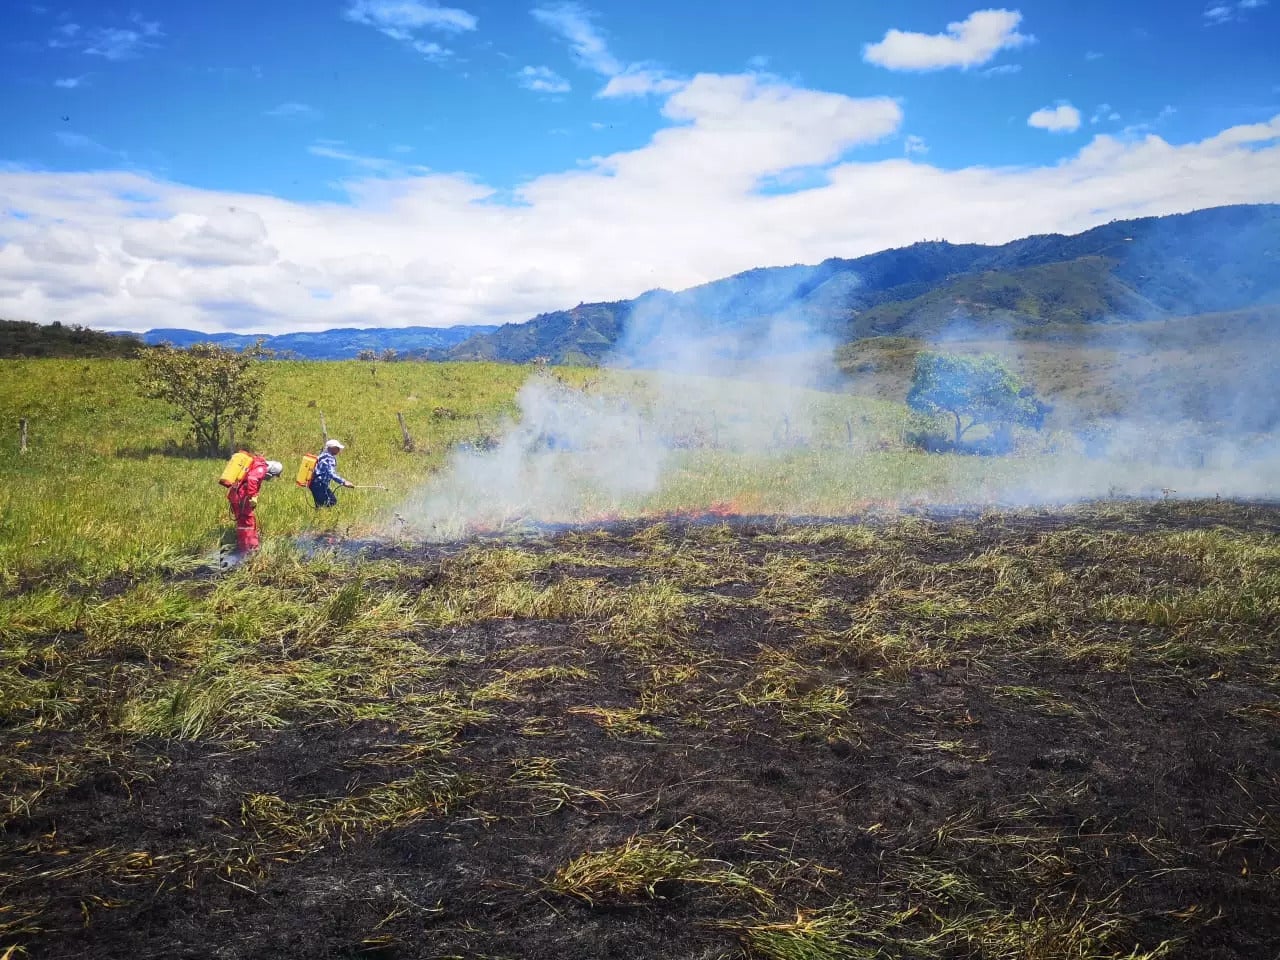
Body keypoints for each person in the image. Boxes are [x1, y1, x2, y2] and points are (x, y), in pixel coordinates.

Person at [227, 455, 283, 553]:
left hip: (236, 496)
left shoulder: (256, 466)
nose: (272, 478)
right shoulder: (261, 468)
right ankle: (252, 549)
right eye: (274, 475)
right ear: (272, 471)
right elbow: (252, 479)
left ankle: (243, 548)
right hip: (241, 497)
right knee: (249, 523)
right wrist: (253, 496)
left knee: (242, 524)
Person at [310, 438, 354, 508]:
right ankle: (322, 517)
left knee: (321, 505)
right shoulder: (330, 458)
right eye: (337, 448)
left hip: (314, 484)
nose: (339, 450)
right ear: (332, 448)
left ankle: (319, 516)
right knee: (331, 502)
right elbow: (331, 474)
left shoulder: (322, 455)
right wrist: (344, 482)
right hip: (320, 484)